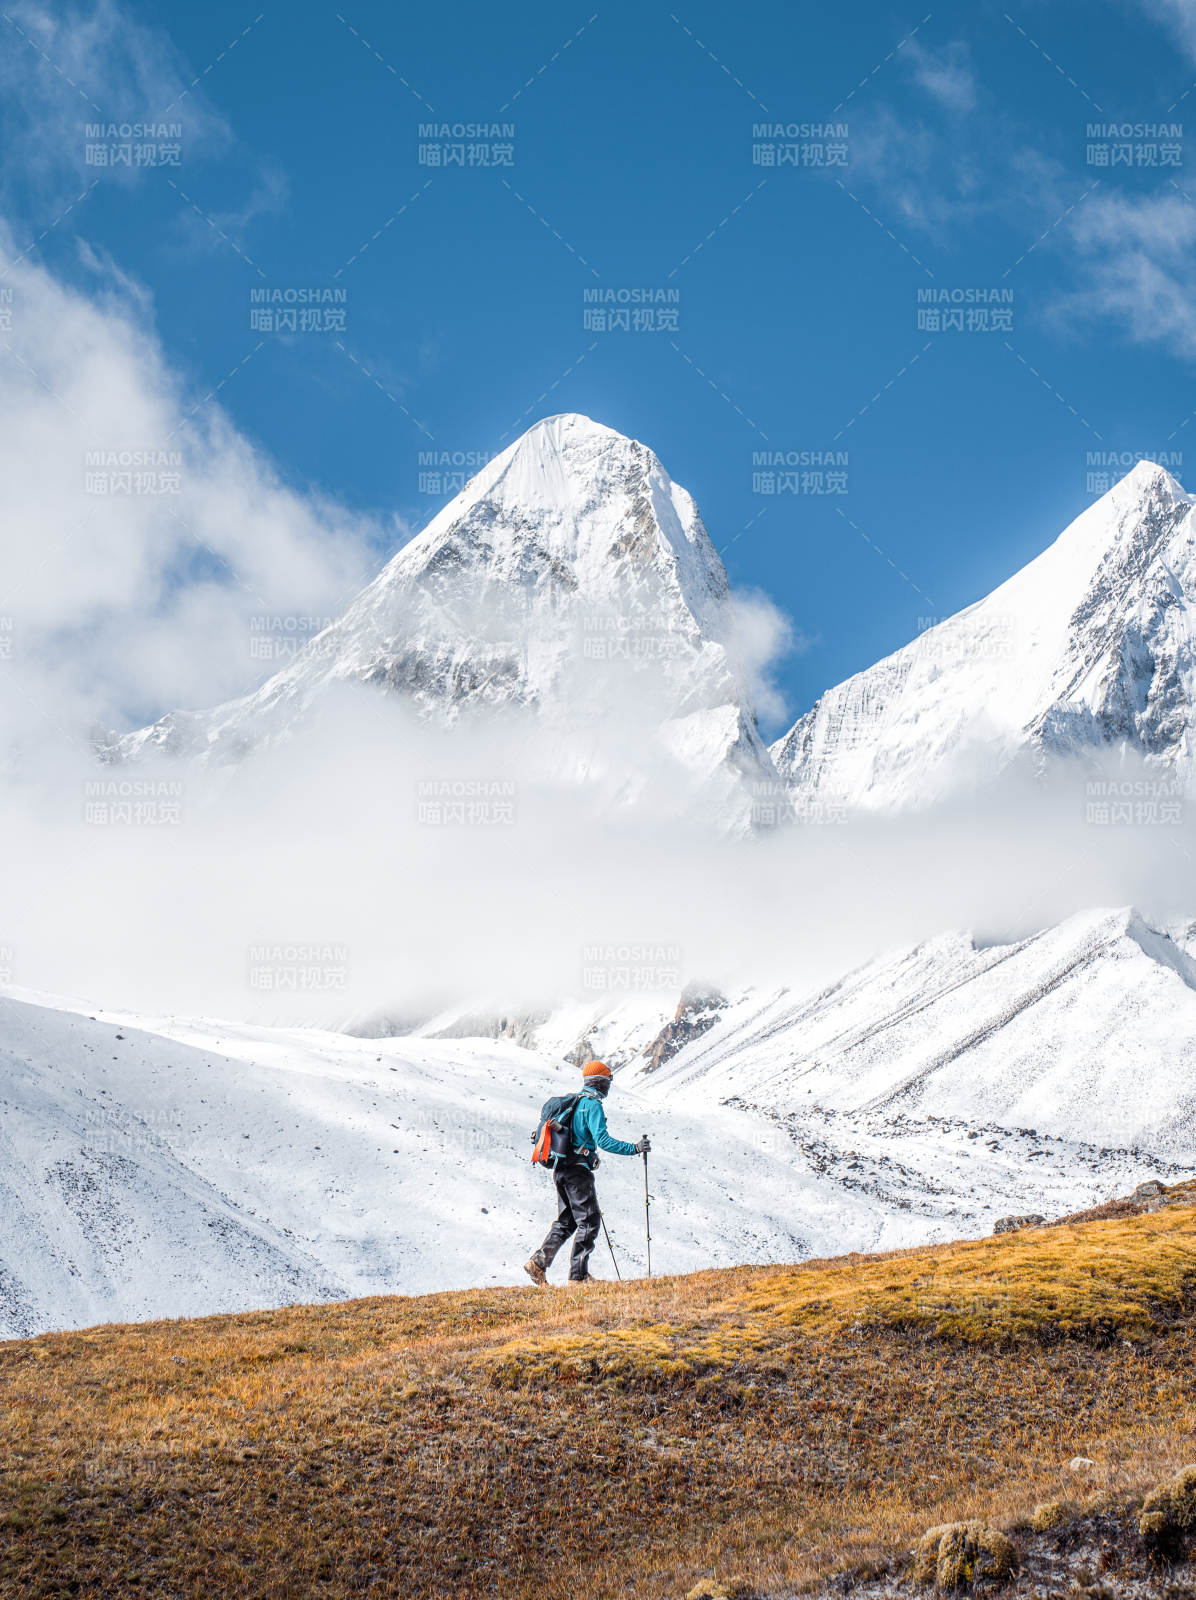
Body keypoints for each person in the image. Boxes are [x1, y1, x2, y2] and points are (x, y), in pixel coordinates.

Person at [524, 1059, 650, 1285]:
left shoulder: (573, 1103)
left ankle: (538, 1263)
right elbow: (604, 1141)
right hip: (578, 1173)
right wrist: (635, 1148)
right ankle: (579, 1277)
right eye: (608, 1080)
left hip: (560, 1170)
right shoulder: (592, 1106)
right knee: (589, 1221)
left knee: (568, 1221)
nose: (609, 1085)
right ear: (600, 1082)